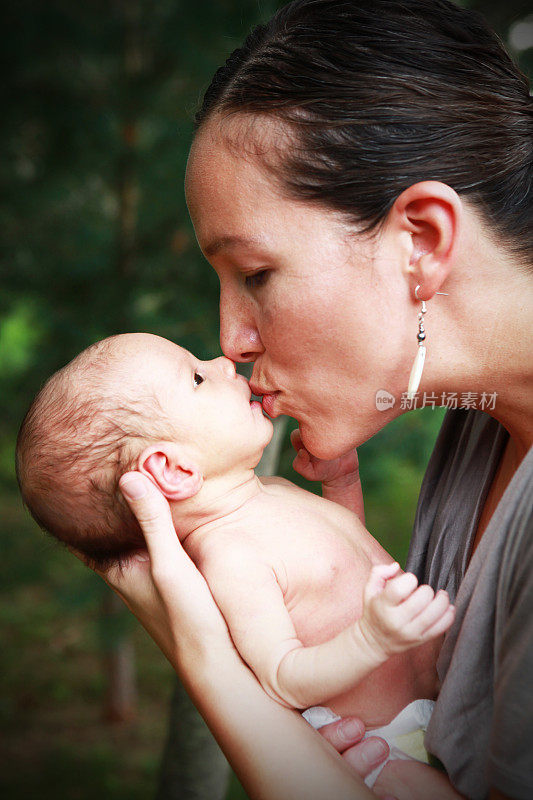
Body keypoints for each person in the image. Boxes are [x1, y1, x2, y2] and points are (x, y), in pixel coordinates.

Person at [67, 1, 532, 798]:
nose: (231, 340)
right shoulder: (478, 426)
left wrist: (208, 659)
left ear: (420, 239)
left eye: (255, 274)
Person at [16, 332, 453, 788]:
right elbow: (283, 677)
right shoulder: (231, 558)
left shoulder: (272, 493)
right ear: (173, 470)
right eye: (198, 378)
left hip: (437, 698)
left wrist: (341, 486)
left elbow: (343, 563)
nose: (224, 363)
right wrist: (371, 639)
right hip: (391, 747)